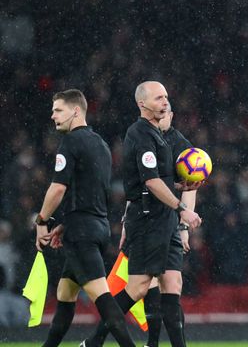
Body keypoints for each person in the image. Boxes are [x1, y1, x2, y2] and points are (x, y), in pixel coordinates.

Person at [82, 81, 202, 347]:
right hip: (148, 220)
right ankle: (94, 341)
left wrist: (180, 190)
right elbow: (148, 182)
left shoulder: (165, 138)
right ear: (142, 103)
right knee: (138, 287)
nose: (165, 102)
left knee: (173, 283)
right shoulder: (140, 134)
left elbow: (161, 181)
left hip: (166, 220)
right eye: (159, 98)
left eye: (166, 97)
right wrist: (182, 210)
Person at [34, 89, 136, 347]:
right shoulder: (101, 145)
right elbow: (93, 193)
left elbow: (58, 189)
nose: (53, 115)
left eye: (58, 110)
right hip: (97, 227)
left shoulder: (70, 142)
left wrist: (42, 221)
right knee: (65, 294)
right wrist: (66, 223)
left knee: (104, 300)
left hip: (81, 233)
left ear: (76, 111)